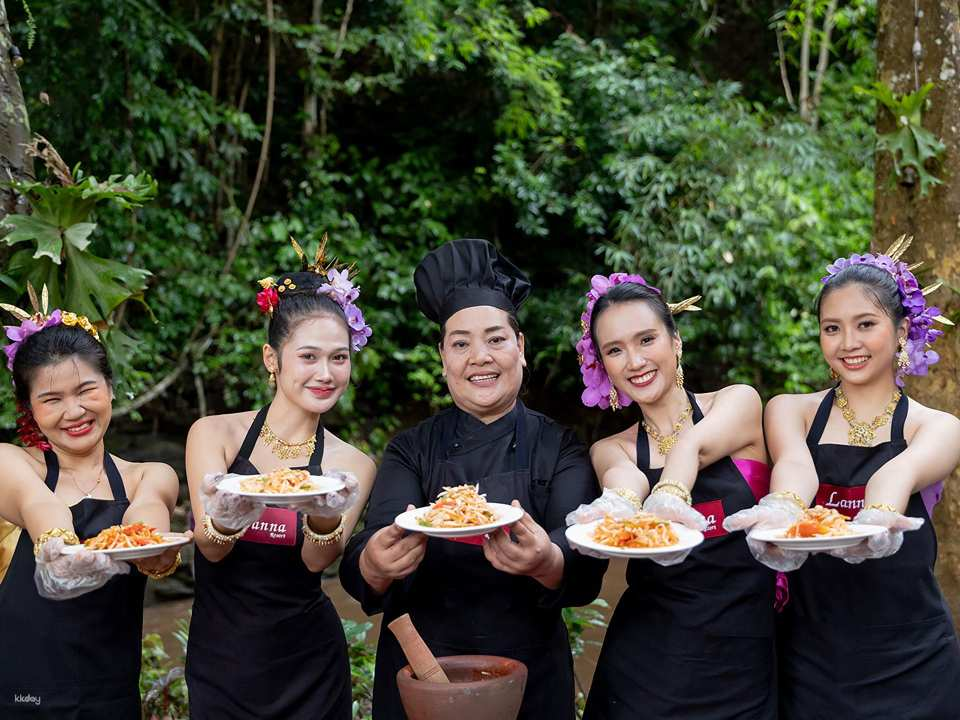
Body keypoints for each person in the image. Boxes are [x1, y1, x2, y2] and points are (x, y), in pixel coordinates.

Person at [340, 238, 606, 719]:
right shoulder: (411, 449)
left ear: (521, 347)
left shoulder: (560, 447)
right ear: (443, 358)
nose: (479, 356)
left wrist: (547, 559)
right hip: (422, 676)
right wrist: (376, 564)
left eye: (496, 339)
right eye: (460, 343)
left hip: (530, 680)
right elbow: (362, 556)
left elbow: (586, 560)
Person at [725, 237, 960, 719]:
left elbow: (899, 473)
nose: (847, 343)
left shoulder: (938, 427)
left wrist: (876, 520)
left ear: (902, 331)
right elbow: (794, 468)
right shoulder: (789, 410)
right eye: (832, 328)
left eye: (866, 325)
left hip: (914, 661)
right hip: (812, 661)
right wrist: (780, 511)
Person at [568, 273, 777, 719]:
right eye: (615, 350)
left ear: (676, 341)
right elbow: (624, 482)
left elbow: (693, 445)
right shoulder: (613, 449)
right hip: (647, 671)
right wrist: (616, 505)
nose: (635, 360)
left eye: (647, 339)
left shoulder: (737, 403)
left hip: (745, 664)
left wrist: (671, 495)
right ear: (603, 366)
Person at [184, 238, 374, 720]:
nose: (326, 373)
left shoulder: (352, 464)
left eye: (339, 357)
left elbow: (316, 563)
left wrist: (327, 513)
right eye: (308, 357)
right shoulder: (215, 434)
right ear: (273, 359)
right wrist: (227, 515)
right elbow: (211, 549)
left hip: (309, 665)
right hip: (222, 663)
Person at [0, 289, 181, 718]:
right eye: (51, 399)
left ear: (111, 388)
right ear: (30, 409)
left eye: (86, 390)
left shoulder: (148, 476)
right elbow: (37, 505)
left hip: (110, 696)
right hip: (20, 697)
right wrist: (58, 546)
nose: (74, 411)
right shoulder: (13, 462)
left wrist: (154, 551)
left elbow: (147, 518)